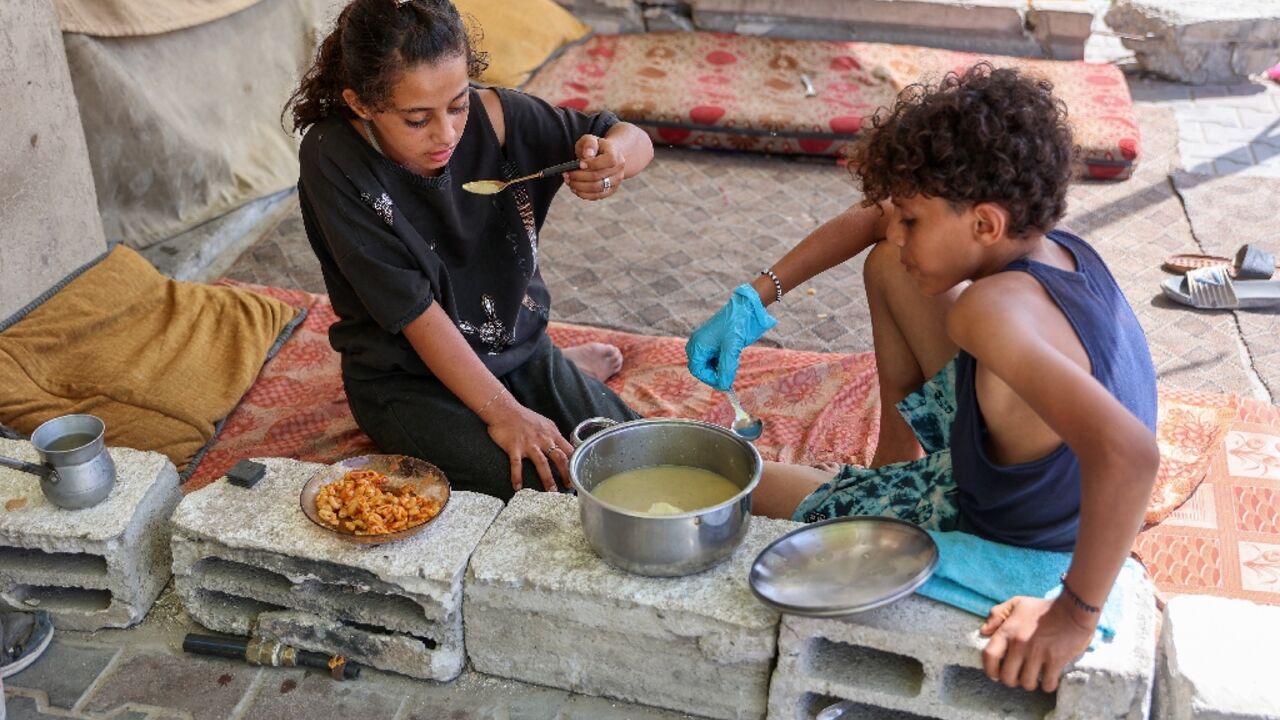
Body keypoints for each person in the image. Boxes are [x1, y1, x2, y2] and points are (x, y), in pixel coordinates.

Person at [685, 63, 1159, 693]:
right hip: (1039, 478)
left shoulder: (986, 312)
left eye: (912, 219)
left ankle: (889, 496)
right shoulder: (1058, 247)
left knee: (741, 480)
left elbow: (1130, 454)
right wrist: (754, 298)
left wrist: (1072, 614)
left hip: (1012, 523)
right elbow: (875, 220)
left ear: (985, 224)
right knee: (889, 265)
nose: (895, 227)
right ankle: (893, 456)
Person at [284, 0, 654, 499]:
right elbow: (416, 312)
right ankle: (534, 387)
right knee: (550, 490)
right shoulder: (334, 157)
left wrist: (614, 161)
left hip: (513, 345)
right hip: (405, 378)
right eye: (418, 119)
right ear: (361, 104)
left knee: (640, 453)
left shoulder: (498, 118)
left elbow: (627, 136)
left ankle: (550, 374)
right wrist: (505, 412)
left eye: (458, 105)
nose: (448, 134)